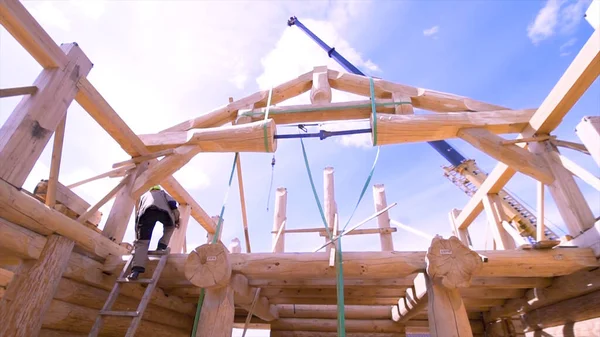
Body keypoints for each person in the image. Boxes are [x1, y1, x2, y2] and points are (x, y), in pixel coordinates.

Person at [127, 185, 180, 280]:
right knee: (170, 226)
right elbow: (172, 204)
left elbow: (139, 214)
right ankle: (161, 246)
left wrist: (138, 235)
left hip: (146, 213)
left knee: (142, 242)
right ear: (158, 189)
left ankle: (135, 271)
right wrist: (176, 220)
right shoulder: (162, 193)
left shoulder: (144, 196)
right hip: (163, 213)